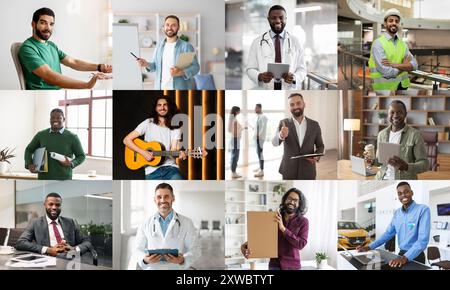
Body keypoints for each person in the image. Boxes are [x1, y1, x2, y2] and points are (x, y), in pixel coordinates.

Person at [19, 7, 112, 90]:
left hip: (59, 89)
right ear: (33, 24)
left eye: (51, 24)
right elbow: (49, 76)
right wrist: (86, 85)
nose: (48, 28)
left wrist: (99, 67)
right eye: (43, 23)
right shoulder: (27, 48)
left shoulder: (51, 45)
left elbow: (73, 62)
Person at [357, 182, 430, 267]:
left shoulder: (423, 210)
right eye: (400, 193)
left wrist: (405, 258)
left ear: (412, 192)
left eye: (406, 192)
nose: (403, 195)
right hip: (401, 254)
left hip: (416, 256)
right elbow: (388, 234)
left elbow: (422, 240)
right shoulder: (397, 213)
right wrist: (369, 247)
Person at [134, 183, 200, 270]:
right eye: (159, 197)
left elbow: (195, 250)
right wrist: (145, 260)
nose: (162, 200)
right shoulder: (145, 223)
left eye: (166, 196)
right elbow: (137, 249)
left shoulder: (187, 222)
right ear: (154, 200)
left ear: (173, 198)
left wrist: (182, 260)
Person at [241, 188, 309, 270]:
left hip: (292, 266)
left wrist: (283, 229)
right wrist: (245, 246)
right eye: (289, 198)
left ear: (299, 204)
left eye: (295, 200)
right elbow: (262, 237)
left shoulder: (303, 221)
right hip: (274, 265)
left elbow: (301, 244)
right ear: (285, 200)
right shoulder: (274, 217)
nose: (291, 202)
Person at [123, 96, 186, 180]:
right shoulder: (148, 123)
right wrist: (143, 153)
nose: (162, 107)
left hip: (171, 169)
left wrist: (179, 153)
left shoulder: (176, 126)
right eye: (159, 105)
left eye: (165, 105)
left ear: (169, 107)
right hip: (151, 171)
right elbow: (126, 140)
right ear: (156, 108)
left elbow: (174, 149)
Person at [246, 5, 306, 90]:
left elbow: (302, 69)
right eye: (274, 18)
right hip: (266, 88)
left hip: (287, 88)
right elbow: (250, 68)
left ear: (286, 19)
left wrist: (294, 77)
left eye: (281, 17)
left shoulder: (296, 42)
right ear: (268, 19)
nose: (278, 21)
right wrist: (260, 76)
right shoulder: (257, 42)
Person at [16, 192, 92, 258]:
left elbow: (87, 241)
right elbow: (21, 243)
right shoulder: (35, 223)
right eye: (51, 204)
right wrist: (48, 250)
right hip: (48, 259)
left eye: (57, 205)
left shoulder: (70, 222)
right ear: (45, 205)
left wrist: (74, 249)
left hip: (70, 259)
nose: (54, 207)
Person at [365, 100, 428, 180]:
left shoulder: (415, 135)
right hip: (381, 178)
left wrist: (406, 167)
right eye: (392, 112)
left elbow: (424, 164)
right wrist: (372, 161)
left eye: (399, 112)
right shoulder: (382, 134)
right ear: (388, 114)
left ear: (405, 114)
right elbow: (380, 161)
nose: (395, 115)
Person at [137, 15, 200, 89]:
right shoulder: (159, 46)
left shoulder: (186, 46)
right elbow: (155, 66)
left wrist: (181, 72)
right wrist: (146, 64)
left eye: (173, 25)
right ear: (164, 27)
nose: (170, 28)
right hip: (160, 88)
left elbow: (196, 67)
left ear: (178, 27)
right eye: (167, 25)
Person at [272, 93, 324, 180]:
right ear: (289, 108)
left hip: (308, 170)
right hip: (288, 169)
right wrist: (281, 136)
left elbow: (320, 146)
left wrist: (317, 156)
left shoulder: (314, 125)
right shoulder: (283, 123)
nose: (295, 107)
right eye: (292, 105)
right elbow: (274, 143)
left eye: (298, 103)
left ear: (304, 104)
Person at [24, 108, 86, 180]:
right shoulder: (41, 135)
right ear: (50, 119)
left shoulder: (72, 137)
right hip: (43, 179)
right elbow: (29, 149)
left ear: (64, 119)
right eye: (52, 118)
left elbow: (81, 156)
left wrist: (71, 163)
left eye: (59, 118)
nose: (55, 120)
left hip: (64, 179)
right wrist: (29, 164)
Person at [368, 8, 417, 90]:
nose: (394, 23)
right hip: (385, 89)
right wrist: (404, 66)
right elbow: (387, 72)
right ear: (385, 23)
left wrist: (395, 65)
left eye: (397, 21)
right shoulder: (378, 44)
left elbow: (415, 65)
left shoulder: (403, 44)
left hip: (403, 86)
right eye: (391, 21)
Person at [228, 106, 246, 179]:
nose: (239, 112)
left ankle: (233, 171)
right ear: (236, 111)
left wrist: (242, 128)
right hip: (235, 139)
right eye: (239, 111)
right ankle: (233, 172)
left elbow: (230, 129)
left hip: (234, 139)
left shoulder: (232, 118)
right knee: (235, 156)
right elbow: (232, 130)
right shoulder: (233, 119)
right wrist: (239, 130)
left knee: (234, 155)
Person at [253, 104, 268, 178]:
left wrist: (259, 135)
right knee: (258, 153)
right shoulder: (258, 117)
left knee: (260, 154)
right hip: (257, 138)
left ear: (259, 108)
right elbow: (258, 127)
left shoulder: (263, 117)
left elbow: (263, 127)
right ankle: (260, 167)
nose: (255, 109)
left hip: (260, 138)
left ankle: (262, 171)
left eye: (256, 108)